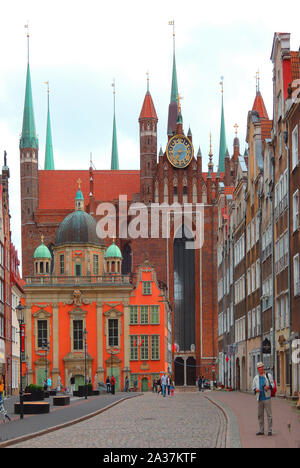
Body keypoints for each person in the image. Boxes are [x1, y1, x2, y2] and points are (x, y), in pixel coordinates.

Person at [252, 362, 275, 436]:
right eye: (259, 367)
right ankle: (261, 430)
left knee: (269, 415)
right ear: (258, 369)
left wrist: (268, 387)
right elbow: (253, 388)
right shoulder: (256, 378)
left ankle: (270, 430)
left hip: (267, 397)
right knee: (260, 415)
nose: (261, 368)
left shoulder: (268, 375)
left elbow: (273, 385)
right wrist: (256, 390)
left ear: (263, 367)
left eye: (262, 367)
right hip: (260, 398)